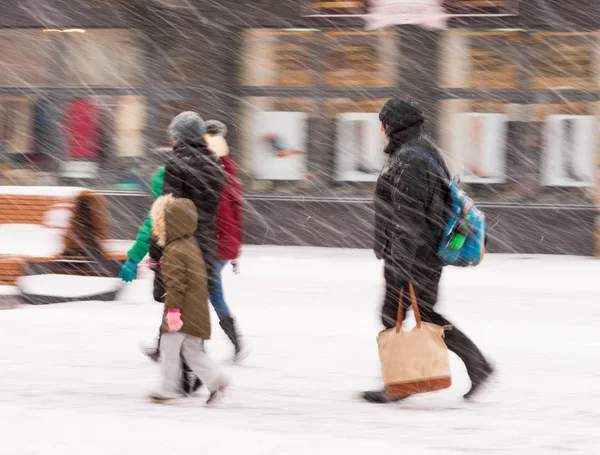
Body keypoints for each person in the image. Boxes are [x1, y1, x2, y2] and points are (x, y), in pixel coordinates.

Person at [362, 99, 493, 404]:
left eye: (383, 123)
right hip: (421, 252)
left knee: (396, 316)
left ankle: (399, 382)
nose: (381, 129)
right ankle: (476, 366)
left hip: (412, 254)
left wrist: (400, 261)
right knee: (423, 314)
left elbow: (409, 215)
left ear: (394, 125)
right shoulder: (418, 151)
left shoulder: (411, 159)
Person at [148, 194, 229, 404]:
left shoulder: (174, 250)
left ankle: (168, 389)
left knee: (168, 348)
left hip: (181, 311)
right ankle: (216, 380)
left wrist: (173, 312)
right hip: (197, 309)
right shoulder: (190, 244)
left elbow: (176, 286)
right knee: (192, 350)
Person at [204, 120, 245, 361]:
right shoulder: (229, 171)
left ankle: (166, 345)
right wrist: (235, 249)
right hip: (224, 244)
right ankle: (236, 342)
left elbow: (217, 214)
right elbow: (236, 214)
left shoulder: (213, 172)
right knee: (203, 293)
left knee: (201, 294)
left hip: (214, 245)